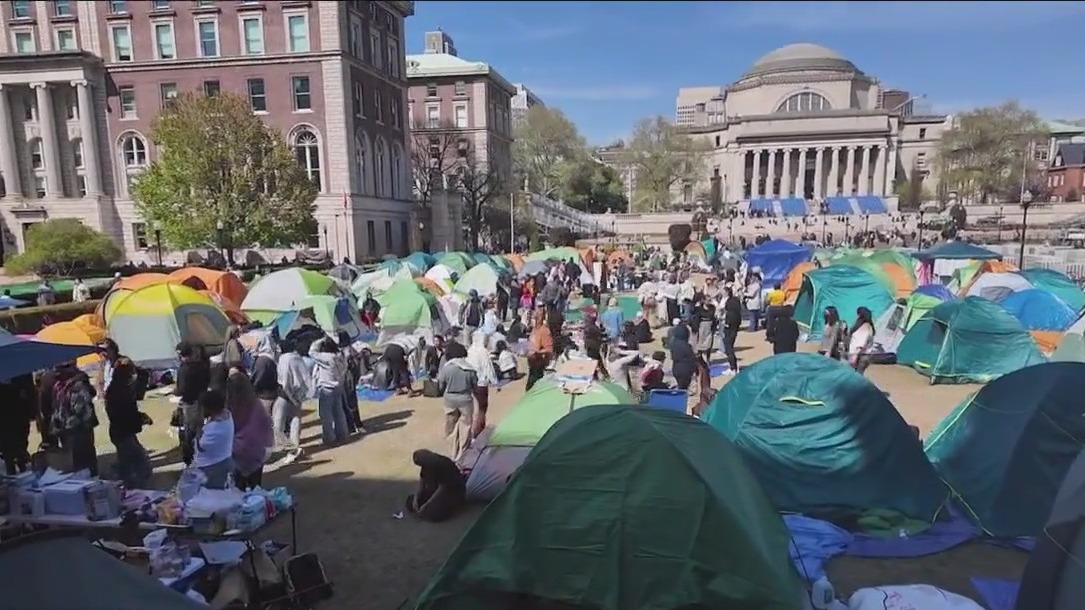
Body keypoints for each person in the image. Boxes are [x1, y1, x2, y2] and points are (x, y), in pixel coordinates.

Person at [104, 358, 151, 487]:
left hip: (119, 430)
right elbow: (126, 412)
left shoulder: (116, 388)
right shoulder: (121, 391)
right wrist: (140, 418)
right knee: (139, 461)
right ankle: (132, 483)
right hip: (123, 431)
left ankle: (126, 481)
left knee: (126, 460)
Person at [226, 371, 273, 490]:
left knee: (237, 489)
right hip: (256, 451)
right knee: (255, 489)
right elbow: (267, 425)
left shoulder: (227, 408)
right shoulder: (257, 405)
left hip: (235, 453)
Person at [51, 362, 98, 475]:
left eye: (61, 369)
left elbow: (81, 410)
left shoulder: (77, 386)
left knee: (84, 458)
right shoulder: (59, 386)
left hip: (80, 429)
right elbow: (57, 407)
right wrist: (56, 423)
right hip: (66, 430)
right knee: (73, 460)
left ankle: (92, 476)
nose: (58, 373)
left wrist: (69, 424)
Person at [436, 342, 477, 459]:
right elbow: (474, 386)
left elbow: (441, 386)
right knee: (465, 426)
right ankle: (462, 452)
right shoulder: (470, 369)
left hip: (450, 400)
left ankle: (452, 451)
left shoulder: (446, 368)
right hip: (465, 400)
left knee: (450, 424)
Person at [273, 338, 309, 464]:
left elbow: (284, 382)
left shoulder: (284, 359)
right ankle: (295, 447)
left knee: (277, 426)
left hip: (284, 395)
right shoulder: (297, 358)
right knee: (295, 421)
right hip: (298, 393)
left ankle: (290, 449)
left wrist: (290, 396)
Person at [174, 342, 211, 466]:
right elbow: (207, 381)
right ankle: (202, 454)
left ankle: (190, 458)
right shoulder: (202, 365)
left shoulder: (183, 369)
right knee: (200, 428)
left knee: (189, 432)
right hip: (202, 401)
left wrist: (175, 392)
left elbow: (181, 390)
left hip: (189, 403)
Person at [310, 337, 352, 445]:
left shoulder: (326, 357)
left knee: (326, 415)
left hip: (327, 388)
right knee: (339, 412)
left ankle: (329, 437)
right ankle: (343, 434)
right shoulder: (341, 356)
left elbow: (311, 352)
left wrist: (320, 340)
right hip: (338, 387)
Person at [405, 449, 466, 523]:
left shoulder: (444, 465)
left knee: (433, 513)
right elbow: (422, 481)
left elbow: (441, 490)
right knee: (411, 501)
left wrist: (426, 505)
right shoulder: (427, 465)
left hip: (451, 493)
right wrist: (416, 498)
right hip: (436, 490)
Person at [194, 389, 234, 489]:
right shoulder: (227, 415)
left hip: (212, 466)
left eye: (202, 407)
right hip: (224, 459)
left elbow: (201, 446)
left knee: (211, 493)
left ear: (209, 408)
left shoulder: (215, 428)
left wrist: (198, 428)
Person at [0, 375, 35, 474]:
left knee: (21, 437)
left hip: (19, 409)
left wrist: (32, 409)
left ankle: (21, 460)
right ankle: (10, 463)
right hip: (4, 411)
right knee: (6, 439)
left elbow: (29, 388)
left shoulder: (21, 375)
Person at [466, 333, 496, 439]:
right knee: (482, 409)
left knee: (473, 409)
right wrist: (494, 381)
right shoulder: (483, 351)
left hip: (470, 384)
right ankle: (478, 432)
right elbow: (488, 367)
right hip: (481, 384)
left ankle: (471, 431)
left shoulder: (469, 350)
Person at [249, 333, 279, 413]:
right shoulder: (270, 357)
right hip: (271, 393)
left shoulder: (263, 360)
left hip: (264, 396)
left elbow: (257, 378)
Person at [525, 309, 553, 391]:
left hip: (539, 364)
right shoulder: (534, 330)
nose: (531, 320)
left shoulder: (544, 331)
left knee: (532, 389)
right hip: (532, 364)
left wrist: (538, 352)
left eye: (533, 318)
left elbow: (549, 349)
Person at [668, 324, 698, 391]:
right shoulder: (687, 346)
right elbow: (692, 359)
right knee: (684, 387)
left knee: (680, 386)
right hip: (686, 369)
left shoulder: (673, 344)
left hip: (676, 368)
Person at [719, 287, 742, 374]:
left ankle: (733, 367)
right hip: (733, 326)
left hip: (729, 326)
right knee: (729, 346)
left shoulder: (729, 303)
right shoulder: (735, 301)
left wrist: (726, 322)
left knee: (728, 347)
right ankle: (733, 365)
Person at [849, 306, 875, 374]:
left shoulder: (865, 327)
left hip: (860, 356)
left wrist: (855, 355)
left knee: (856, 376)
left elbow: (861, 343)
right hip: (860, 355)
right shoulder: (866, 326)